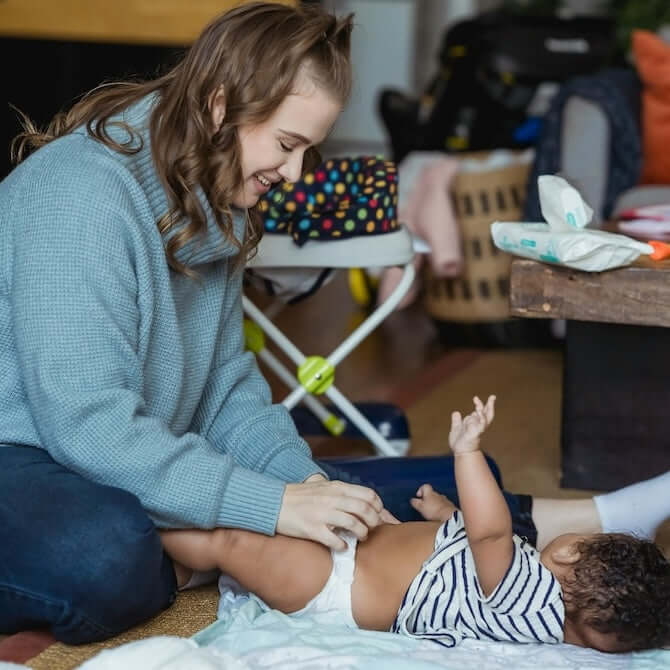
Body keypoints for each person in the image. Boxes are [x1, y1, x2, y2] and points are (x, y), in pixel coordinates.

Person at [0, 2, 405, 644]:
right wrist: (264, 509)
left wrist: (302, 483)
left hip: (93, 455)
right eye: (287, 144)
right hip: (21, 451)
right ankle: (200, 542)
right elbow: (88, 425)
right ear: (220, 108)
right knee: (105, 556)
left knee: (349, 502)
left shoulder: (217, 197)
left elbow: (224, 385)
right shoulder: (76, 197)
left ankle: (190, 535)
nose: (295, 174)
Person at [162, 396, 670, 653]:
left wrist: (467, 453)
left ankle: (154, 524)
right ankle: (185, 568)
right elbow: (475, 552)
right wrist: (445, 515)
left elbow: (489, 532)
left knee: (228, 538)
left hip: (336, 579)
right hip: (351, 553)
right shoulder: (537, 614)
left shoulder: (528, 585)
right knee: (248, 539)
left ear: (569, 551)